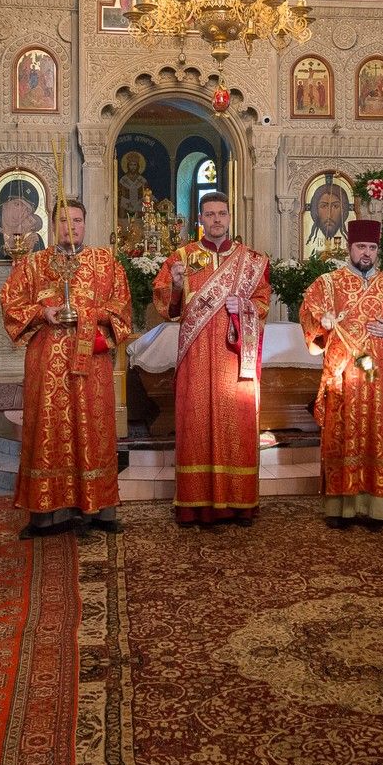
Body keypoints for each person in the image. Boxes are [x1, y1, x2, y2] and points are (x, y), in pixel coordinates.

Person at [0, 201, 132, 538]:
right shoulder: (33, 264)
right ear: (52, 224)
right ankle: (47, 516)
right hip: (47, 363)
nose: (70, 227)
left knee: (94, 428)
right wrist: (43, 313)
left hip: (92, 363)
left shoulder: (106, 263)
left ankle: (100, 510)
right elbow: (11, 303)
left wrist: (89, 314)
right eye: (63, 220)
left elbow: (121, 309)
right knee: (50, 428)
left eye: (76, 220)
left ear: (86, 223)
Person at [151, 191, 271, 526]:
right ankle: (194, 504)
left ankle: (240, 502)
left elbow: (262, 303)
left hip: (234, 359)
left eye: (221, 213)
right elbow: (167, 309)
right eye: (209, 214)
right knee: (195, 424)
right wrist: (175, 286)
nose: (216, 219)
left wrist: (245, 307)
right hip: (196, 357)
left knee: (238, 423)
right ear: (200, 219)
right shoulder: (182, 258)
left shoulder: (251, 260)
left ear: (229, 217)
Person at [298, 220, 383, 528]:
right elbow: (309, 312)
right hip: (343, 376)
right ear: (349, 248)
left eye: (371, 248)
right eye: (361, 247)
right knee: (343, 435)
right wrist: (322, 321)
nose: (366, 253)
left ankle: (382, 508)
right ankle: (342, 508)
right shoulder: (328, 283)